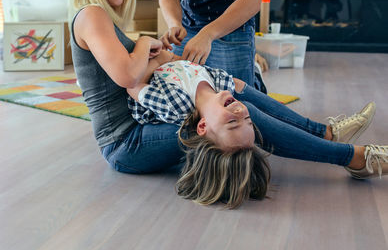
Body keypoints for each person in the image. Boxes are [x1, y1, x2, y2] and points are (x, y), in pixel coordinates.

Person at [68, 0, 388, 208]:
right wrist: (142, 43)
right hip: (126, 143)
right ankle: (353, 157)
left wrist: (155, 52)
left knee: (235, 95)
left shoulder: (99, 16)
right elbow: (128, 76)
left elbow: (134, 73)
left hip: (140, 129)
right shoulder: (92, 14)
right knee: (234, 116)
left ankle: (326, 134)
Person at [126, 49, 387, 208]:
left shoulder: (177, 104)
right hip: (164, 74)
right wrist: (160, 53)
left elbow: (133, 82)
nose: (241, 113)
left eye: (233, 122)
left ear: (202, 126)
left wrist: (151, 50)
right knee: (240, 95)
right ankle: (344, 149)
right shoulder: (209, 94)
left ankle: (328, 135)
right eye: (246, 121)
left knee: (240, 92)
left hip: (160, 64)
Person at [159, 0, 265, 91]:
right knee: (180, 91)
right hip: (188, 25)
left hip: (233, 26)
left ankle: (256, 81)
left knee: (237, 98)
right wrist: (174, 24)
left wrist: (207, 34)